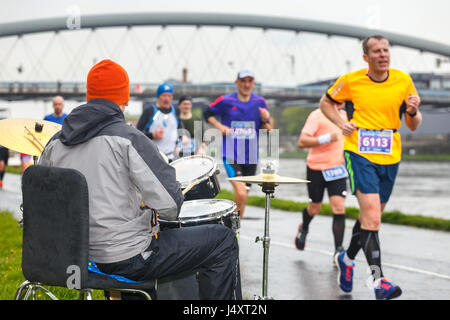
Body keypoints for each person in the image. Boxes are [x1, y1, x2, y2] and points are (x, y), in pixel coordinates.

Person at [38, 59, 242, 300]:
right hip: (122, 260)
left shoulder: (54, 143)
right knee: (223, 240)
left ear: (89, 96)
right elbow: (170, 206)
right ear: (123, 100)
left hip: (73, 257)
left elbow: (46, 202)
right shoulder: (129, 139)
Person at [320, 35, 422, 300]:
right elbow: (326, 103)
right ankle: (378, 281)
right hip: (358, 152)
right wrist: (341, 123)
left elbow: (413, 124)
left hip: (390, 155)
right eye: (376, 51)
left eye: (386, 50)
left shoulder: (403, 81)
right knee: (373, 218)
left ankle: (346, 258)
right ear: (366, 57)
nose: (383, 54)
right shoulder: (351, 81)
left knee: (370, 219)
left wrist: (412, 111)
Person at [203, 69, 272, 219]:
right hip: (231, 154)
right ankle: (231, 226)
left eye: (249, 81)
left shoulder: (259, 102)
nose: (246, 84)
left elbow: (268, 129)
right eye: (243, 81)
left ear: (253, 83)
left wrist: (266, 119)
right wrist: (220, 127)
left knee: (243, 196)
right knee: (240, 192)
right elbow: (206, 112)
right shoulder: (226, 100)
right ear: (237, 83)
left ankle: (235, 228)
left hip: (251, 157)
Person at [294, 103, 348, 260]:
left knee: (339, 207)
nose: (339, 103)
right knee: (315, 207)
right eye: (335, 100)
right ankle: (304, 227)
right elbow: (302, 142)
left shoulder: (346, 117)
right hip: (316, 168)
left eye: (341, 100)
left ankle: (338, 250)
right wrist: (326, 138)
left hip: (337, 169)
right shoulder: (317, 115)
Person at [136, 83, 185, 162]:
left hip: (171, 157)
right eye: (164, 95)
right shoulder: (150, 111)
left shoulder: (175, 110)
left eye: (169, 96)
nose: (167, 99)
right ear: (158, 96)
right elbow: (137, 133)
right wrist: (152, 135)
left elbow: (179, 126)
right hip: (153, 157)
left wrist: (183, 136)